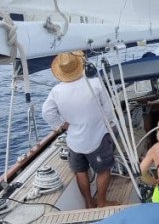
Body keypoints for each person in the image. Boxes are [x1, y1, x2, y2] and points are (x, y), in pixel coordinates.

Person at [41, 51, 115, 209]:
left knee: (80, 171)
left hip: (74, 142)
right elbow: (109, 111)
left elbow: (47, 112)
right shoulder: (95, 83)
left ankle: (88, 202)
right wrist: (103, 122)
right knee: (103, 170)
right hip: (97, 137)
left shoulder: (56, 91)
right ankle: (102, 202)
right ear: (79, 65)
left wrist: (61, 125)